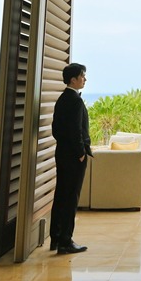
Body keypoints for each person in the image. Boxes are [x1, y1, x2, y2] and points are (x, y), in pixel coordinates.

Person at [49, 62, 92, 255]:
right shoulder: (74, 100)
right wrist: (81, 152)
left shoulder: (62, 99)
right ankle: (66, 241)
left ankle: (56, 238)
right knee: (70, 198)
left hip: (62, 154)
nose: (85, 79)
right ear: (73, 79)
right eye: (82, 76)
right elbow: (76, 130)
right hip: (74, 157)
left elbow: (56, 130)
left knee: (61, 196)